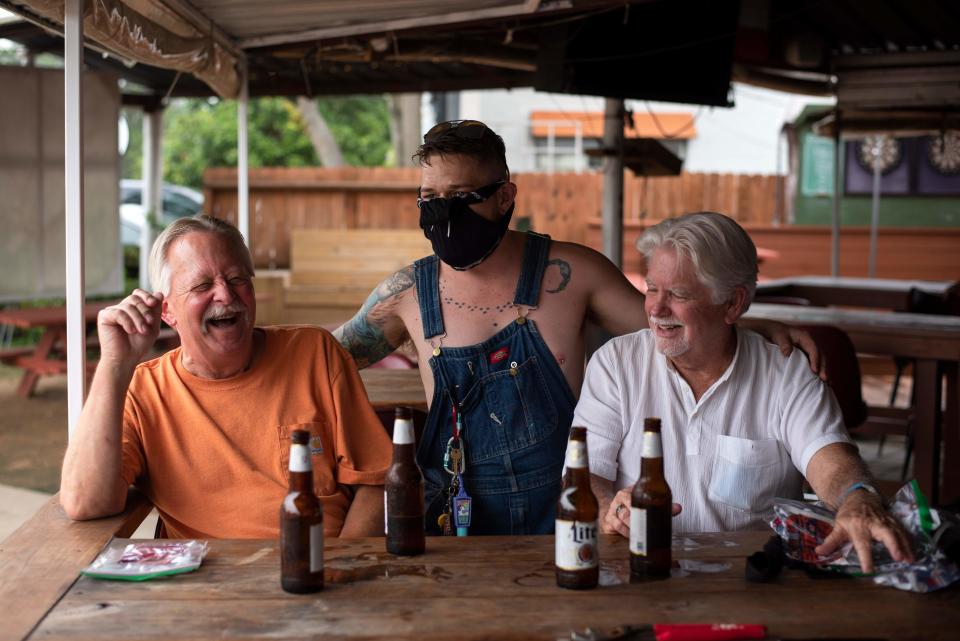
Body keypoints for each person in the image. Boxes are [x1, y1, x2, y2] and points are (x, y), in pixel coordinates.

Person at [334, 119, 821, 536]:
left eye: (462, 197)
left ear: (505, 197)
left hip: (565, 513)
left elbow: (669, 325)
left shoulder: (572, 274)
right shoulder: (405, 296)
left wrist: (753, 323)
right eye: (430, 198)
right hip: (455, 521)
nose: (444, 214)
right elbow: (329, 358)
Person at [573, 211, 913, 572]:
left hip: (752, 577)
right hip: (638, 568)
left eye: (677, 294)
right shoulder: (616, 363)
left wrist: (856, 499)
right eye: (652, 288)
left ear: (733, 304)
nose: (656, 308)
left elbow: (830, 460)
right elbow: (585, 475)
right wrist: (611, 511)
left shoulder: (786, 371)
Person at [60, 215, 391, 539]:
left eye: (237, 279)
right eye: (203, 285)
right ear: (167, 312)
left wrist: (341, 570)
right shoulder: (144, 390)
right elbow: (84, 502)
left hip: (318, 575)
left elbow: (376, 483)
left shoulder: (314, 352)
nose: (226, 295)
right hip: (208, 584)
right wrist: (115, 365)